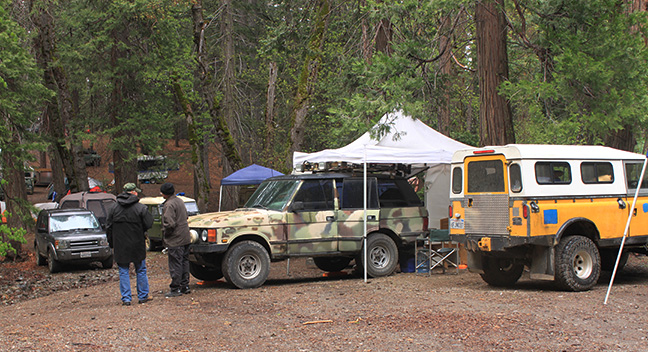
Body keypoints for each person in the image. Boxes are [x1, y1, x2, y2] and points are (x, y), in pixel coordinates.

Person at [106, 183, 154, 306]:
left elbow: (109, 227)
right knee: (141, 269)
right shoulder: (140, 208)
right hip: (137, 243)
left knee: (123, 271)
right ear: (133, 192)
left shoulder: (113, 208)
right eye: (135, 191)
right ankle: (143, 296)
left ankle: (126, 298)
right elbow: (149, 223)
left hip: (120, 244)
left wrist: (111, 243)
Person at [160, 182, 192, 298]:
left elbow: (169, 224)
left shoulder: (169, 205)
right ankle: (185, 286)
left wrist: (166, 235)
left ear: (164, 193)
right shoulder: (180, 201)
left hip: (175, 239)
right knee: (184, 261)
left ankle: (175, 288)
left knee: (175, 263)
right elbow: (186, 216)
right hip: (185, 236)